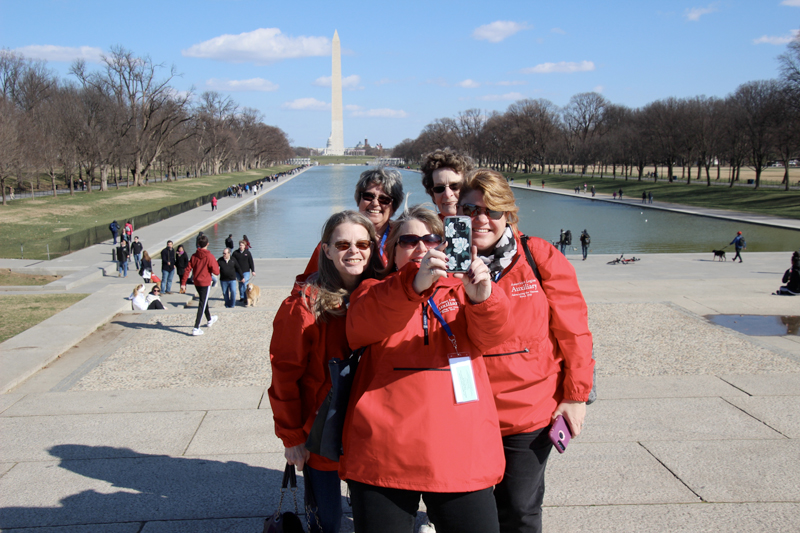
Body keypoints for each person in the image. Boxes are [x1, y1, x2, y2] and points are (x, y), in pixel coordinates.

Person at [341, 205, 513, 533]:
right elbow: (360, 327)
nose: (422, 247)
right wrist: (413, 285)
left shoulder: (464, 290)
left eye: (432, 239)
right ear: (392, 252)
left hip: (460, 449)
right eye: (409, 241)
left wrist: (484, 300)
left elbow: (495, 337)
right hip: (384, 448)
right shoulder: (373, 291)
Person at [456, 169, 593, 533]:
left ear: (508, 214)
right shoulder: (441, 261)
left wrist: (576, 396)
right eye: (470, 209)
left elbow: (574, 331)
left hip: (526, 410)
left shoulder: (539, 256)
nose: (481, 219)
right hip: (462, 409)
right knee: (472, 512)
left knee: (519, 509)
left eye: (492, 210)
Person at [269, 211, 382, 533]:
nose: (353, 251)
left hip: (370, 428)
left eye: (362, 243)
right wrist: (291, 437)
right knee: (327, 522)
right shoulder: (303, 306)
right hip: (321, 430)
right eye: (342, 243)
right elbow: (284, 375)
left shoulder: (384, 296)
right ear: (326, 250)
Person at [302, 167, 404, 276]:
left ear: (394, 206)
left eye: (384, 199)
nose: (375, 203)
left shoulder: (403, 238)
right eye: (368, 196)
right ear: (358, 199)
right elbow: (308, 279)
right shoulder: (337, 236)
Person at [181, 234, 220, 336]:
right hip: (205, 282)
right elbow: (216, 272)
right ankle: (196, 327)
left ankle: (210, 319)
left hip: (196, 282)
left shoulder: (194, 256)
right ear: (207, 244)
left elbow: (187, 270)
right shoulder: (209, 256)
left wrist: (183, 283)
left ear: (198, 244)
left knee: (204, 300)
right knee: (202, 304)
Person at [420, 148, 475, 219]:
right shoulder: (426, 229)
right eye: (439, 188)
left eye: (455, 186)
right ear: (433, 196)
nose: (447, 194)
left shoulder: (486, 224)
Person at [232, 240, 256, 305]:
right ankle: (242, 297)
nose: (241, 246)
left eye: (242, 245)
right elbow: (232, 262)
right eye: (240, 245)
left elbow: (251, 262)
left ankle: (246, 297)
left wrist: (253, 271)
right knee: (240, 285)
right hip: (238, 272)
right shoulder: (235, 253)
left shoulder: (247, 253)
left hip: (246, 271)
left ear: (245, 246)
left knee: (245, 284)